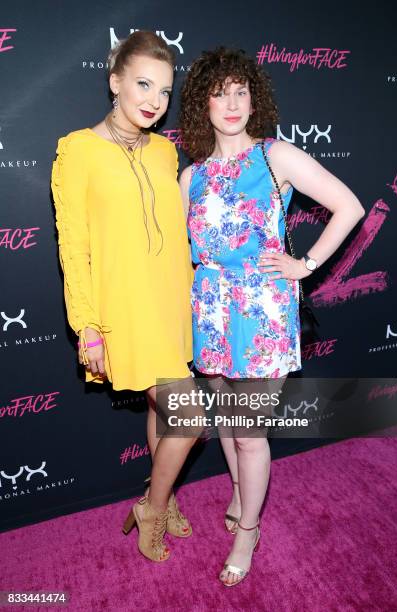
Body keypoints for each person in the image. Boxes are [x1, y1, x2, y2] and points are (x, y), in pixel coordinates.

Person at [179, 47, 365, 585]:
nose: (232, 103)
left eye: (242, 92)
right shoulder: (192, 178)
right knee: (230, 425)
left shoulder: (274, 157)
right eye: (221, 93)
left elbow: (348, 205)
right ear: (203, 103)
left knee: (249, 434)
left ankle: (248, 532)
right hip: (210, 311)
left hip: (261, 313)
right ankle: (239, 493)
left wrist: (304, 264)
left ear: (254, 99)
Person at [51, 31, 201, 563]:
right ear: (114, 81)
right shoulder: (77, 150)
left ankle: (163, 496)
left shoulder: (165, 151)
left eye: (163, 90)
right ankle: (152, 508)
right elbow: (74, 244)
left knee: (166, 417)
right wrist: (86, 323)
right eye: (142, 84)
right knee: (191, 418)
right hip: (125, 310)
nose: (154, 101)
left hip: (171, 305)